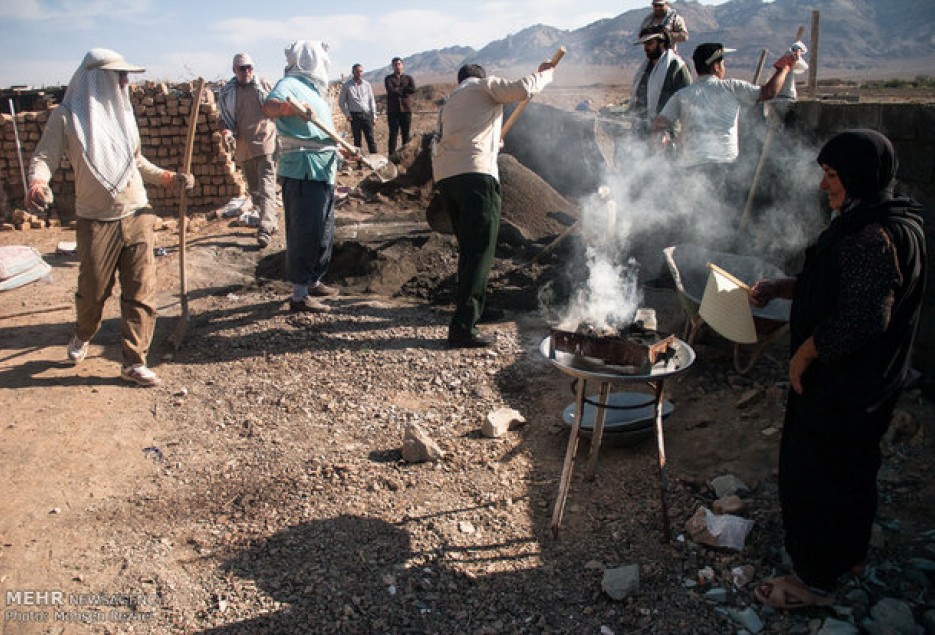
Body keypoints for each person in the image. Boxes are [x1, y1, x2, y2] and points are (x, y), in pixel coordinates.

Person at [749, 130, 926, 609]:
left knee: (814, 475)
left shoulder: (873, 236)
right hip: (871, 385)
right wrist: (784, 287)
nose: (825, 186)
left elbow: (866, 317)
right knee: (854, 470)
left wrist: (805, 353)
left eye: (832, 176)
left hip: (841, 387)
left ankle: (814, 580)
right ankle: (849, 556)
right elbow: (838, 285)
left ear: (859, 176)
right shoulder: (888, 219)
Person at [26, 49, 194, 386]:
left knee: (141, 291)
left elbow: (136, 162)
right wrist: (38, 182)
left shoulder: (124, 115)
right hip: (96, 220)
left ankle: (133, 361)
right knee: (93, 292)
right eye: (120, 76)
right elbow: (44, 156)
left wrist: (168, 178)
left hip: (137, 213)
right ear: (100, 80)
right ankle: (82, 333)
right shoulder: (67, 116)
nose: (127, 82)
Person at [432, 61, 555, 348]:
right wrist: (546, 73)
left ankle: (478, 306)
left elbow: (454, 139)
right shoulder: (482, 86)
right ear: (479, 77)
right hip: (476, 177)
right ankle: (463, 328)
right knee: (479, 250)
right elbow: (524, 88)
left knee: (470, 248)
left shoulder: (450, 102)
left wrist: (491, 143)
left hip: (447, 179)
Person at [262, 40, 352, 313]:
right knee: (305, 232)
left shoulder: (314, 90)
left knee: (323, 232)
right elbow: (269, 106)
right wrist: (289, 109)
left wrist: (342, 150)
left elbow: (321, 134)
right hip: (303, 170)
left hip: (323, 169)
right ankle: (299, 296)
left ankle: (313, 281)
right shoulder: (290, 84)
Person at [651, 43, 798, 170]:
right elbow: (769, 92)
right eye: (722, 63)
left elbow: (658, 124)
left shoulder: (682, 95)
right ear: (715, 66)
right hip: (725, 167)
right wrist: (784, 67)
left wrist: (665, 141)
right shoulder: (731, 87)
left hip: (692, 166)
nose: (723, 67)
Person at [218, 53, 278, 248]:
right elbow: (224, 119)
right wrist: (226, 130)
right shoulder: (228, 93)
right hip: (244, 148)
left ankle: (265, 228)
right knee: (255, 191)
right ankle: (268, 221)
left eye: (249, 67)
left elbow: (277, 108)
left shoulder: (264, 86)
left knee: (267, 187)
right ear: (234, 70)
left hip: (266, 143)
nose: (247, 71)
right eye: (242, 68)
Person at [630, 26, 692, 134]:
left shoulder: (676, 67)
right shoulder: (645, 69)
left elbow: (688, 101)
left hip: (666, 133)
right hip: (644, 130)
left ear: (662, 43)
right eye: (645, 44)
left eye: (650, 43)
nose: (646, 48)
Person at [338, 63, 378, 155]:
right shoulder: (347, 86)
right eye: (357, 71)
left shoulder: (367, 85)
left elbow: (371, 100)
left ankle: (376, 160)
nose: (359, 73)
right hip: (354, 116)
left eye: (361, 71)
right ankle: (359, 163)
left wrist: (374, 115)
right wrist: (348, 115)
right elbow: (341, 102)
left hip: (366, 115)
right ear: (353, 72)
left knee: (371, 139)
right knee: (357, 140)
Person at [384, 57, 416, 156]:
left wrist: (398, 90)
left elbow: (413, 89)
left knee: (406, 135)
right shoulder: (388, 79)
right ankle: (391, 156)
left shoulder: (409, 78)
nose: (397, 66)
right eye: (395, 64)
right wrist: (404, 91)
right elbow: (391, 91)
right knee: (393, 135)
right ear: (392, 66)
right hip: (393, 111)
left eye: (399, 64)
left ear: (402, 65)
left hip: (406, 110)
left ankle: (405, 156)